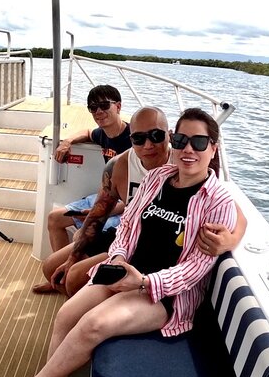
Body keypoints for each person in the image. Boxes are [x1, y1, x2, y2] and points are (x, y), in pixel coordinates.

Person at [0, 108, 238, 377]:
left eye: (199, 142)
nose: (188, 149)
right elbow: (128, 228)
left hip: (163, 294)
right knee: (65, 315)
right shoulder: (157, 179)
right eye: (181, 139)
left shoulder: (217, 201)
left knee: (91, 324)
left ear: (213, 148)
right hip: (124, 269)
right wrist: (117, 259)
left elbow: (196, 270)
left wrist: (143, 282)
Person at [33, 106, 246, 297]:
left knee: (75, 277)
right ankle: (69, 292)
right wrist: (73, 257)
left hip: (150, 245)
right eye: (139, 138)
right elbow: (99, 215)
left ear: (169, 136)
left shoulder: (185, 161)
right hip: (123, 234)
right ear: (130, 138)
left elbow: (232, 209)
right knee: (50, 267)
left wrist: (231, 240)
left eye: (156, 135)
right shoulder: (118, 166)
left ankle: (80, 301)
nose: (148, 145)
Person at [47, 85, 131, 252]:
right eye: (93, 108)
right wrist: (67, 142)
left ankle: (73, 275)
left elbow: (136, 197)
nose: (98, 111)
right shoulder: (102, 134)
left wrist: (97, 213)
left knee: (83, 234)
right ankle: (58, 273)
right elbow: (87, 132)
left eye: (104, 105)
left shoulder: (135, 140)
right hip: (106, 198)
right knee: (54, 219)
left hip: (126, 207)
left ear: (118, 106)